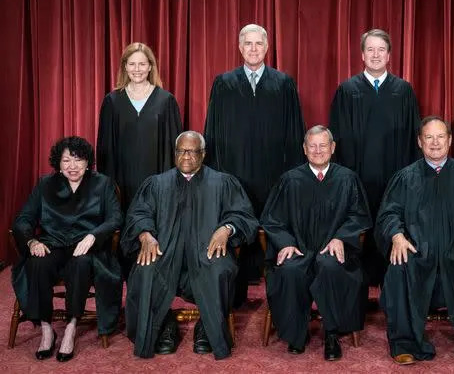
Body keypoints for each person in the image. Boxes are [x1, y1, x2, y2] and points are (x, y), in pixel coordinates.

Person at [375, 116, 454, 369]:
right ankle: (405, 344)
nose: (435, 143)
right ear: (420, 142)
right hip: (418, 251)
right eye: (429, 137)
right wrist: (397, 235)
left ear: (450, 140)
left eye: (440, 137)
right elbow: (389, 213)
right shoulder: (405, 177)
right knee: (399, 266)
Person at [121, 131, 258, 360]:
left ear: (203, 154)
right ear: (175, 153)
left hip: (207, 252)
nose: (186, 156)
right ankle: (162, 325)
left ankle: (208, 326)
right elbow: (138, 214)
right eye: (181, 151)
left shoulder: (223, 182)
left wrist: (227, 229)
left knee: (219, 268)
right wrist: (145, 234)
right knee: (145, 268)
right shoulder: (156, 184)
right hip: (164, 252)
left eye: (192, 151)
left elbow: (244, 215)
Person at [203, 23, 305, 306]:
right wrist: (216, 173)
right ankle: (233, 298)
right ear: (239, 47)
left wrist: (293, 174)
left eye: (258, 43)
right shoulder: (223, 83)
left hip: (273, 172)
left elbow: (295, 131)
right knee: (235, 225)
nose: (253, 49)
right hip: (234, 172)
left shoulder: (283, 83)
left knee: (272, 229)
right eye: (247, 44)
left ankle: (277, 295)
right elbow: (212, 129)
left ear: (267, 47)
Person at [261, 125, 372, 361]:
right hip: (299, 248)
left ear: (332, 148)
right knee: (290, 270)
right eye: (312, 145)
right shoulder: (289, 180)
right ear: (304, 148)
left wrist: (341, 237)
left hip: (333, 249)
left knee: (331, 266)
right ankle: (296, 335)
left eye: (323, 145)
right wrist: (286, 243)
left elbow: (359, 216)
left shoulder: (347, 179)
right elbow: (272, 220)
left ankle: (332, 333)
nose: (318, 150)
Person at [11, 136, 122, 362]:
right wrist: (32, 241)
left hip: (86, 245)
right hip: (52, 243)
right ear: (58, 164)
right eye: (66, 161)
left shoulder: (102, 184)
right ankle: (46, 328)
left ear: (88, 162)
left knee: (81, 264)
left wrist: (93, 235)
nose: (72, 166)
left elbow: (115, 218)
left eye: (78, 160)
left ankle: (71, 326)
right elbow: (23, 219)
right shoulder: (45, 184)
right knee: (37, 263)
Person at [329, 28, 420, 287]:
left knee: (392, 220)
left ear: (390, 55)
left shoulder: (403, 91)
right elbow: (336, 137)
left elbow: (415, 137)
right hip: (357, 175)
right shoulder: (347, 90)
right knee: (359, 223)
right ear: (362, 55)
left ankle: (392, 278)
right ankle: (358, 281)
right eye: (370, 49)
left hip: (395, 174)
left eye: (381, 49)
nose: (376, 54)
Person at [97, 42, 182, 212]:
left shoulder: (166, 101)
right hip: (122, 181)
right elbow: (105, 149)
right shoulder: (112, 101)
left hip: (157, 180)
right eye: (132, 64)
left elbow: (174, 148)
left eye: (142, 64)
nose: (137, 69)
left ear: (150, 67)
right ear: (125, 67)